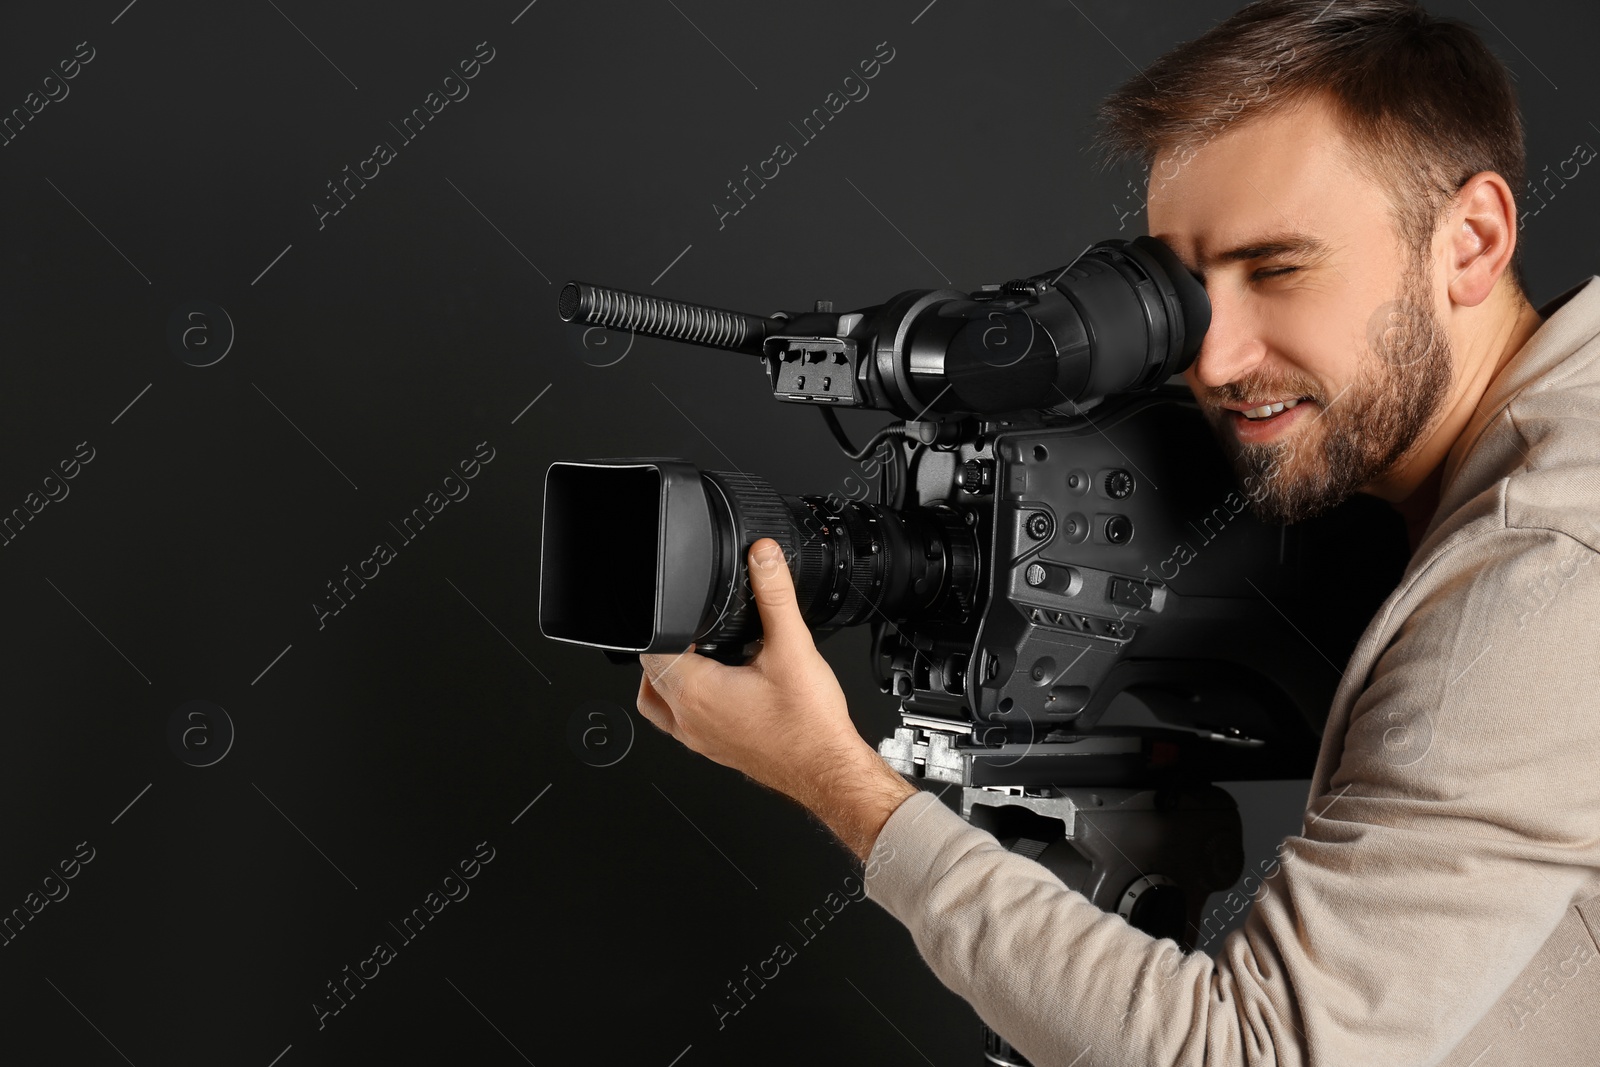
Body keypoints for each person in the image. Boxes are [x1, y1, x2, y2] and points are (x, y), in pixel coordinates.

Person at [636, 1, 1600, 1063]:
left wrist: (839, 779)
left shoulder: (1547, 566)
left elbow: (1245, 1053)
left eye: (1278, 270)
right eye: (1185, 296)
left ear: (1471, 239)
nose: (1218, 361)